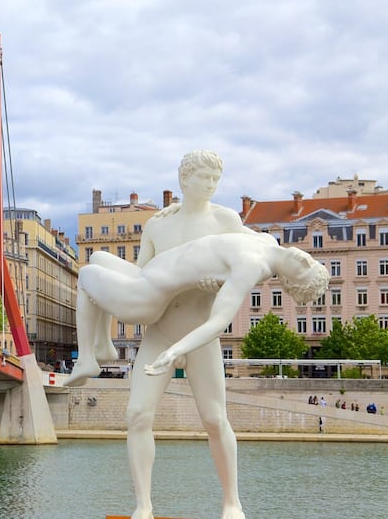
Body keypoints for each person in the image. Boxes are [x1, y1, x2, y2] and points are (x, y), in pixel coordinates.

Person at [73, 150, 254, 519]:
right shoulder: (158, 225)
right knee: (137, 414)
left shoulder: (226, 219)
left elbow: (245, 269)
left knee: (214, 419)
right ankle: (143, 505)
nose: (211, 185)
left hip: (200, 334)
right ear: (184, 179)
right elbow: (142, 277)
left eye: (216, 179)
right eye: (204, 178)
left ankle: (232, 502)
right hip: (160, 333)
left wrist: (219, 283)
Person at [65, 231, 327, 384]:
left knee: (86, 276)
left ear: (288, 281)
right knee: (98, 257)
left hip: (145, 295)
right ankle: (103, 345)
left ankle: (87, 359)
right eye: (311, 262)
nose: (304, 259)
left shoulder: (251, 268)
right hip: (143, 275)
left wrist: (175, 350)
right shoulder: (266, 240)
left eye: (303, 269)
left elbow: (218, 322)